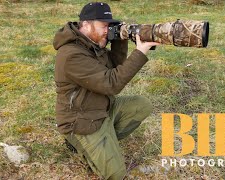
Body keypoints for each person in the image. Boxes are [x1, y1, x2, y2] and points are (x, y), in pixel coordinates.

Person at [53, 2, 159, 180]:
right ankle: (80, 145)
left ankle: (105, 142)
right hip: (82, 121)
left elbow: (114, 67)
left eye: (110, 26)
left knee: (142, 106)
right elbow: (111, 83)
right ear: (86, 24)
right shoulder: (71, 55)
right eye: (104, 26)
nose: (107, 30)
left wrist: (120, 39)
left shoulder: (92, 43)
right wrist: (140, 52)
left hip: (101, 109)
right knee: (116, 175)